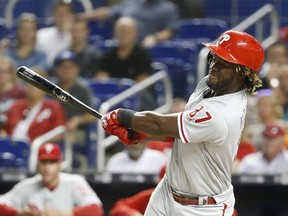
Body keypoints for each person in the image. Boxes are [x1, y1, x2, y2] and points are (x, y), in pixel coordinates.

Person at [101, 29, 264, 215]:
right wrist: (141, 134)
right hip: (167, 193)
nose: (214, 66)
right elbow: (181, 132)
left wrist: (123, 116)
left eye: (223, 63)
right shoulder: (211, 85)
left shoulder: (222, 113)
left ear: (242, 73)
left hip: (204, 207)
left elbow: (160, 124)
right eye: (214, 58)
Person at [0, 142, 104, 216]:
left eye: (52, 162)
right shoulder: (27, 186)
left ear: (59, 164)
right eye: (44, 162)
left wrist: (61, 214)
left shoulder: (74, 182)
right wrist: (19, 212)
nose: (47, 167)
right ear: (37, 165)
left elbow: (96, 210)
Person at [96, 16, 156, 110]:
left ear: (135, 33)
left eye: (126, 31)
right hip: (112, 98)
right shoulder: (108, 56)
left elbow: (142, 85)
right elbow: (102, 81)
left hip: (135, 99)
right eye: (120, 31)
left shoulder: (142, 55)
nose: (123, 34)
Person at [0, 68, 66, 142]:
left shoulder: (53, 106)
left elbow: (60, 132)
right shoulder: (16, 105)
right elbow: (5, 130)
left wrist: (40, 142)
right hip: (13, 148)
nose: (32, 88)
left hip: (40, 149)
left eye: (36, 85)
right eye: (28, 84)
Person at [76, 0, 179, 47]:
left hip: (141, 47)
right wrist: (80, 17)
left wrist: (154, 38)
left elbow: (169, 31)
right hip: (117, 45)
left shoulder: (168, 8)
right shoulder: (131, 3)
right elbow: (107, 13)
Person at [37, 0, 73, 68]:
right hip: (44, 72)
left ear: (70, 15)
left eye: (65, 13)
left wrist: (69, 31)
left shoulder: (74, 36)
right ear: (53, 15)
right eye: (59, 13)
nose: (62, 17)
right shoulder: (41, 34)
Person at [0, 55, 25, 127]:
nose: (0, 74)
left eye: (3, 71)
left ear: (11, 73)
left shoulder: (21, 92)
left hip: (15, 127)